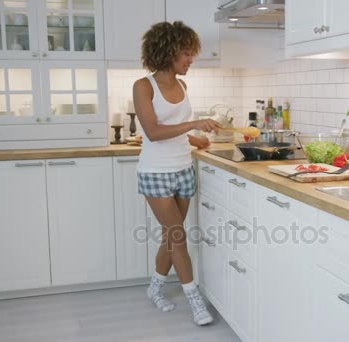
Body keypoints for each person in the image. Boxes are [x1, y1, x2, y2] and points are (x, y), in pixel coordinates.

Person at [132, 21, 220, 326]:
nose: (190, 59)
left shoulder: (182, 86)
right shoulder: (144, 86)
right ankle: (195, 301)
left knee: (172, 236)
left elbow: (176, 128)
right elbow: (153, 132)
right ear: (168, 51)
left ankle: (155, 288)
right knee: (178, 236)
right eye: (186, 53)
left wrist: (196, 139)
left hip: (183, 168)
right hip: (156, 172)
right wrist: (194, 125)